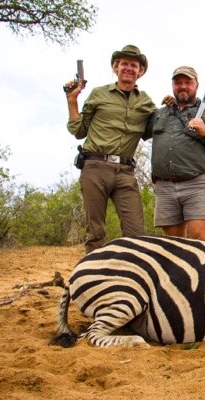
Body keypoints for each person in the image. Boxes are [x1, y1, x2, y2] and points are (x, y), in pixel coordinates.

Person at [65, 45, 156, 253]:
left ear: (140, 72)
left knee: (136, 233)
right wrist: (72, 101)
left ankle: (132, 278)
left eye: (134, 65)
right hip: (95, 166)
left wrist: (169, 104)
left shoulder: (146, 102)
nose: (129, 68)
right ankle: (92, 279)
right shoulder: (99, 94)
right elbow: (79, 131)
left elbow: (158, 126)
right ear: (116, 67)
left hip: (125, 171)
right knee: (95, 232)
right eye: (124, 64)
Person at [145, 66, 205, 240]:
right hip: (165, 186)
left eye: (188, 82)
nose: (183, 86)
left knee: (199, 242)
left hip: (198, 184)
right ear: (172, 85)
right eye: (178, 82)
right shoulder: (160, 113)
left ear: (196, 86)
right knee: (173, 245)